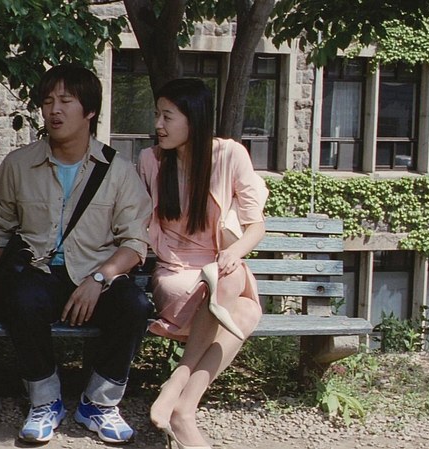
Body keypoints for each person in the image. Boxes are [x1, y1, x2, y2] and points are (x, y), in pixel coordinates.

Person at [0, 64, 153, 444]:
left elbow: (135, 242)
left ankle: (100, 403)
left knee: (135, 306)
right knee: (22, 300)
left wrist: (99, 279)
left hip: (96, 274)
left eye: (65, 101)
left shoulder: (119, 171)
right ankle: (45, 401)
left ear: (90, 110)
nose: (54, 110)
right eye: (47, 102)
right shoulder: (19, 165)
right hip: (40, 273)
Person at [138, 78, 268, 449]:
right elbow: (135, 222)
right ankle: (181, 403)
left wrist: (234, 251)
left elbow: (256, 226)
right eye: (157, 115)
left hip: (220, 269)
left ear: (193, 119)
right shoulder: (151, 161)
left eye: (167, 116)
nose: (158, 125)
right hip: (176, 273)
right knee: (240, 305)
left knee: (235, 290)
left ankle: (181, 399)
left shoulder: (230, 155)